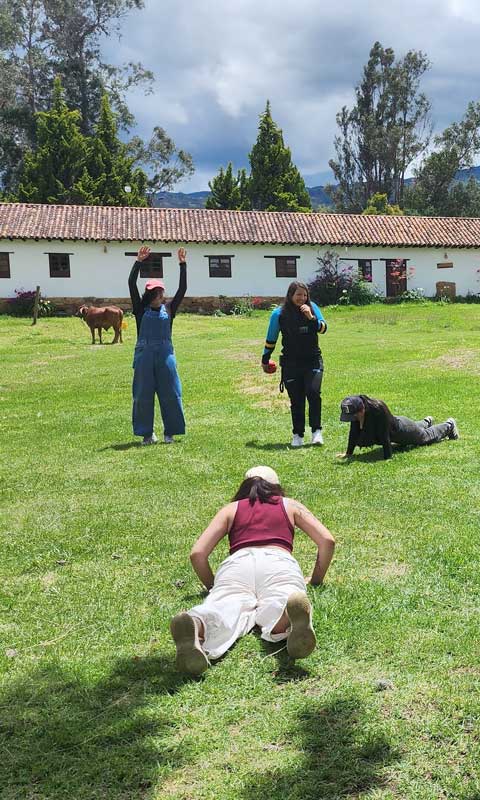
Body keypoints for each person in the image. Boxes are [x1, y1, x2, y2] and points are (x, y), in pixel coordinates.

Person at [170, 466, 336, 675]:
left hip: (238, 564)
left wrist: (213, 586)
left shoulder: (230, 509)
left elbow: (198, 554)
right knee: (282, 595)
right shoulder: (290, 505)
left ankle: (196, 623)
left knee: (224, 606)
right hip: (278, 562)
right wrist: (316, 579)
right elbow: (327, 541)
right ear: (276, 487)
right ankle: (288, 612)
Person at [128, 245, 187, 445]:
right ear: (149, 295)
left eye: (160, 292)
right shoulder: (140, 309)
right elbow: (130, 282)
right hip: (144, 355)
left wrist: (182, 265)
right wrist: (138, 262)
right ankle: (146, 434)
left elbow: (183, 289)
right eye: (156, 293)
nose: (160, 295)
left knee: (171, 392)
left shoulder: (169, 308)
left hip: (165, 355)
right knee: (143, 394)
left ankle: (170, 432)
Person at [262, 281, 328, 448]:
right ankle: (297, 435)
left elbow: (323, 329)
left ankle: (316, 432)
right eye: (298, 294)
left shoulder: (312, 307)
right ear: (290, 295)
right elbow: (271, 339)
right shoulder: (279, 314)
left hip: (313, 360)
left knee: (313, 393)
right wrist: (265, 359)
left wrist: (311, 318)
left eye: (304, 295)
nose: (302, 298)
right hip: (291, 363)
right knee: (296, 399)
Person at [336, 394, 458, 459]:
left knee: (424, 437)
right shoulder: (357, 412)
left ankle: (449, 425)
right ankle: (426, 421)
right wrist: (348, 454)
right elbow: (354, 432)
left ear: (361, 409)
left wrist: (387, 458)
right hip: (400, 424)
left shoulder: (378, 409)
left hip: (401, 430)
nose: (354, 420)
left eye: (355, 416)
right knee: (417, 429)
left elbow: (385, 435)